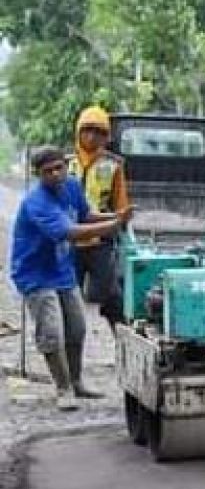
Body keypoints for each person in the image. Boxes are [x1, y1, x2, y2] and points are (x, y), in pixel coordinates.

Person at [10, 146, 132, 410]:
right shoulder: (36, 202)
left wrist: (116, 215)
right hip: (34, 273)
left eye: (59, 168)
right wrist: (112, 226)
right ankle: (63, 388)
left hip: (61, 268)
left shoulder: (73, 186)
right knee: (52, 332)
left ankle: (76, 382)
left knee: (76, 328)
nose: (55, 174)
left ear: (66, 166)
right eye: (48, 171)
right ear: (38, 174)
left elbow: (85, 214)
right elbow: (71, 232)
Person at [67, 106, 129, 334]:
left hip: (100, 240)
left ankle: (121, 337)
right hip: (69, 240)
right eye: (87, 130)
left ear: (106, 136)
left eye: (99, 132)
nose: (92, 137)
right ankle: (69, 340)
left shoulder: (113, 165)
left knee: (111, 294)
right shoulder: (64, 164)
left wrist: (120, 222)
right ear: (78, 132)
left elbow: (120, 203)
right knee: (65, 293)